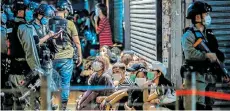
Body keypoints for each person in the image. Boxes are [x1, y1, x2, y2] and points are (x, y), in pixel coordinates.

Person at [181, 1, 229, 110]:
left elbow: (216, 55)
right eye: (205, 14)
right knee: (198, 107)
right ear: (197, 17)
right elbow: (189, 54)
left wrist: (223, 72)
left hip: (209, 80)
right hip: (196, 79)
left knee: (208, 107)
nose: (208, 17)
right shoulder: (188, 35)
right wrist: (206, 55)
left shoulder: (209, 34)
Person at [5, 0, 41, 110]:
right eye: (28, 10)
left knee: (17, 105)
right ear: (21, 12)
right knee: (32, 105)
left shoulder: (9, 25)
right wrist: (37, 71)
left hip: (11, 72)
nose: (30, 12)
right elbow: (30, 51)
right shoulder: (24, 28)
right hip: (24, 74)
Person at [51, 0, 82, 109]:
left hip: (52, 58)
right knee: (65, 84)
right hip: (66, 58)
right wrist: (80, 56)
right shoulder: (70, 23)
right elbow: (77, 43)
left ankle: (50, 105)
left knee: (51, 83)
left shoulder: (49, 22)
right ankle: (63, 108)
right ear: (65, 10)